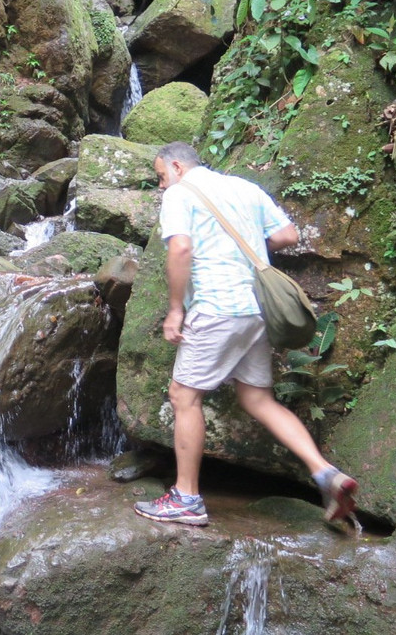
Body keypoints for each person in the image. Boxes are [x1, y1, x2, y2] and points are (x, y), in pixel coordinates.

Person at [133, 141, 358, 527]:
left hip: (218, 307)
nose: (161, 186)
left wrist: (175, 309)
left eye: (160, 177)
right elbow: (287, 235)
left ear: (176, 167)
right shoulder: (246, 189)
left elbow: (181, 249)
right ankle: (325, 473)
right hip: (256, 310)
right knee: (257, 398)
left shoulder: (179, 194)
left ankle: (186, 498)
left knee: (183, 395)